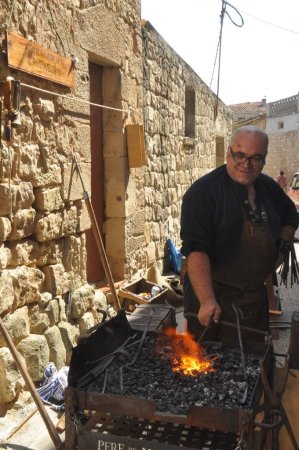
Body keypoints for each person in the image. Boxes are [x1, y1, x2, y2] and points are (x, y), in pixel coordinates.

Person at [180, 125, 298, 342]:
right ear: (228, 153)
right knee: (210, 365)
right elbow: (196, 250)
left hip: (253, 298)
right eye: (240, 155)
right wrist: (207, 300)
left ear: (264, 160)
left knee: (252, 363)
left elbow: (291, 214)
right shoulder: (203, 193)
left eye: (255, 158)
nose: (246, 164)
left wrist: (281, 249)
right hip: (214, 298)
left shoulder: (268, 187)